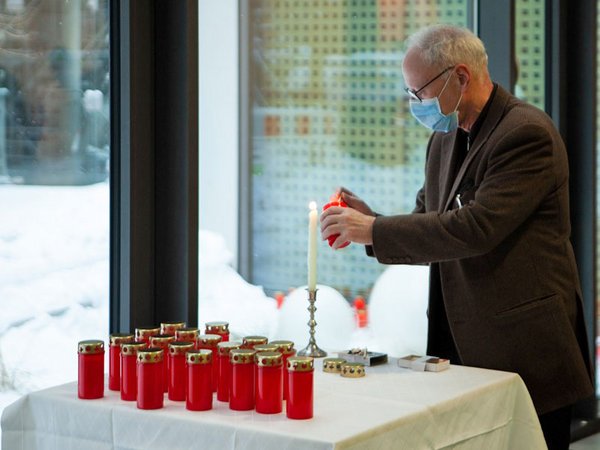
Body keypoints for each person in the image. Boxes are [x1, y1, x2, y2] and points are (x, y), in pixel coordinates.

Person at [320, 24, 593, 450]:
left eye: (420, 93)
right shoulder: (444, 139)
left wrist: (374, 230)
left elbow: (475, 229)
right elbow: (429, 222)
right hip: (460, 347)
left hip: (525, 351)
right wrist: (369, 223)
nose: (415, 104)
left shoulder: (526, 134)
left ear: (460, 77)